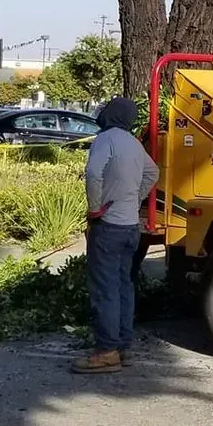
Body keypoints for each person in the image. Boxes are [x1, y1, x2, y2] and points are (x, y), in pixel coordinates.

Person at [72, 96, 158, 374]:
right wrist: (134, 201)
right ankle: (122, 346)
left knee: (105, 289)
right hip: (130, 227)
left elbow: (93, 173)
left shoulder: (105, 139)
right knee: (123, 286)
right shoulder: (134, 143)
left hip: (108, 226)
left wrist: (95, 209)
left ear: (112, 114)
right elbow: (152, 172)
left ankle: (106, 352)